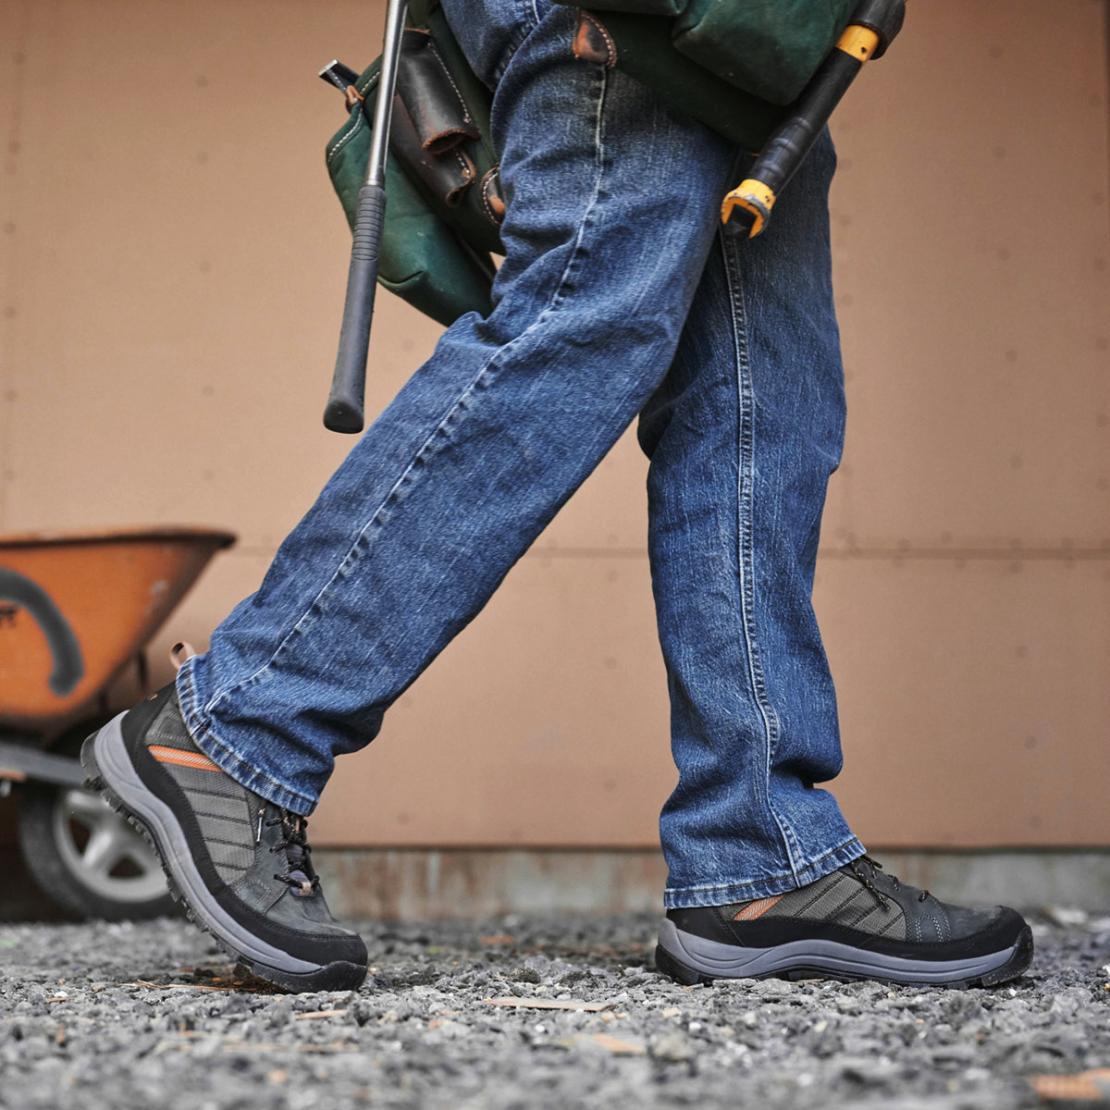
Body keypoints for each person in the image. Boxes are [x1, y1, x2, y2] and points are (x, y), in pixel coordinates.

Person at [82, 0, 1032, 993]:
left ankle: (758, 852)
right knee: (579, 326)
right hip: (635, 22)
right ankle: (244, 725)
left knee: (762, 408)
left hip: (771, 43)